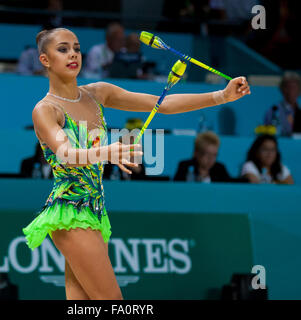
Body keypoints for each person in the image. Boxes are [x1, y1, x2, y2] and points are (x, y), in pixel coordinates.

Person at [21, 27, 250, 300]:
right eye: (63, 49)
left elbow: (160, 103)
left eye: (77, 48)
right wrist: (106, 152)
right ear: (45, 60)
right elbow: (66, 153)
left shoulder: (98, 93)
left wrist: (221, 97)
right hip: (70, 210)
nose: (73, 54)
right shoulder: (46, 109)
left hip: (94, 210)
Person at [263, 71, 301, 136]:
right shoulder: (274, 110)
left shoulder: (299, 109)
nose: (291, 91)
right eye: (288, 87)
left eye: (294, 87)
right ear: (282, 89)